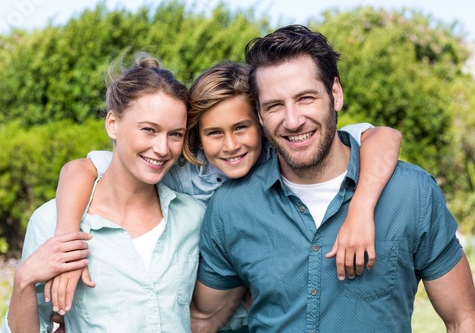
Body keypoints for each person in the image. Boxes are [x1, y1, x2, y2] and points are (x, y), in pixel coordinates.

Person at [47, 60, 402, 330]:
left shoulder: (282, 151)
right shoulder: (182, 170)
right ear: (197, 138)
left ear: (261, 122)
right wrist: (65, 240)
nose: (231, 145)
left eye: (242, 128)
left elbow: (384, 136)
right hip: (209, 311)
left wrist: (361, 209)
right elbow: (81, 169)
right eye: (214, 133)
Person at [190, 25, 475, 332]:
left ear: (335, 94)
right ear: (260, 115)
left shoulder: (411, 193)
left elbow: (463, 318)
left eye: (306, 98)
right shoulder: (231, 208)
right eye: (274, 106)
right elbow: (204, 319)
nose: (293, 120)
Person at [2, 53, 205, 332]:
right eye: (149, 130)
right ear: (113, 124)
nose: (162, 148)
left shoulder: (193, 217)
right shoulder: (52, 222)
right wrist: (23, 280)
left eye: (175, 134)